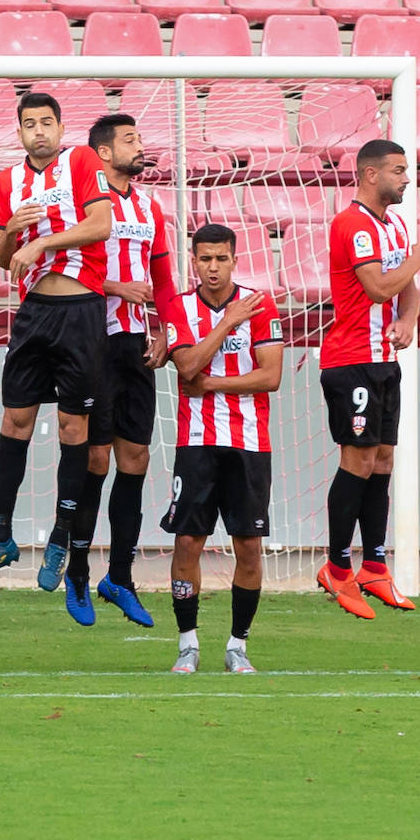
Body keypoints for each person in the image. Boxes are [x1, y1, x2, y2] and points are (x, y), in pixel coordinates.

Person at [0, 91, 113, 592]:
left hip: (80, 311)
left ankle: (61, 536)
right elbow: (4, 258)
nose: (39, 132)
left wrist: (43, 240)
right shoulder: (10, 180)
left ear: (59, 126)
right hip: (34, 313)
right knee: (16, 418)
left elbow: (102, 223)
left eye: (47, 122)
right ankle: (0, 535)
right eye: (30, 124)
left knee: (74, 426)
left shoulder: (82, 160)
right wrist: (11, 233)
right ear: (21, 131)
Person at [65, 113, 178, 628]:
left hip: (137, 346)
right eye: (130, 139)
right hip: (92, 340)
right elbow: (64, 269)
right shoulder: (85, 205)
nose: (140, 146)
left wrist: (167, 332)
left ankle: (121, 577)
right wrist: (114, 289)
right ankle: (77, 571)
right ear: (104, 153)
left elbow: (164, 283)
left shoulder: (151, 207)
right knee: (96, 459)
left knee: (135, 457)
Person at [315, 139, 420, 620]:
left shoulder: (395, 225)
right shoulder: (352, 225)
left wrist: (407, 321)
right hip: (350, 361)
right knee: (359, 459)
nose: (407, 178)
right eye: (399, 170)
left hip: (383, 359)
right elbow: (377, 287)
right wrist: (419, 258)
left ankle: (375, 565)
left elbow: (406, 294)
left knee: (383, 459)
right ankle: (337, 567)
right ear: (369, 175)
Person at [159, 224, 284, 675]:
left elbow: (270, 377)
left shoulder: (261, 303)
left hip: (250, 443)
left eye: (222, 259)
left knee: (248, 545)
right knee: (188, 541)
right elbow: (185, 364)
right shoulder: (178, 306)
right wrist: (229, 324)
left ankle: (237, 646)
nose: (213, 268)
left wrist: (210, 383)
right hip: (196, 443)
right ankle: (188, 644)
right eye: (205, 259)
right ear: (193, 261)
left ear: (234, 259)